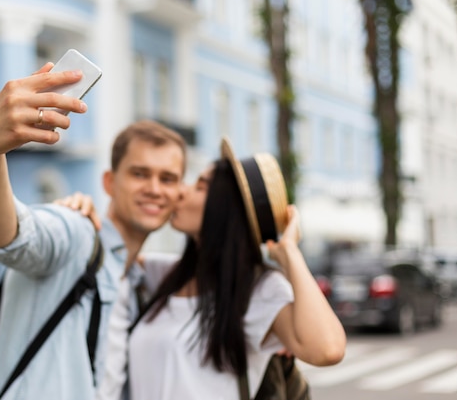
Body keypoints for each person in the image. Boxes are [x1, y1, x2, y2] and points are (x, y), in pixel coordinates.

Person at [0, 61, 187, 400]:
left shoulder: (142, 280)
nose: (155, 188)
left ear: (179, 192)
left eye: (167, 179)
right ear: (109, 182)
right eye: (140, 174)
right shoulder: (77, 231)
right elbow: (6, 236)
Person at [89, 138, 347, 400]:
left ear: (226, 209)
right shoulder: (166, 276)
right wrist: (80, 215)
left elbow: (328, 350)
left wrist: (289, 252)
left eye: (199, 186)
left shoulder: (258, 290)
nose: (181, 192)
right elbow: (111, 253)